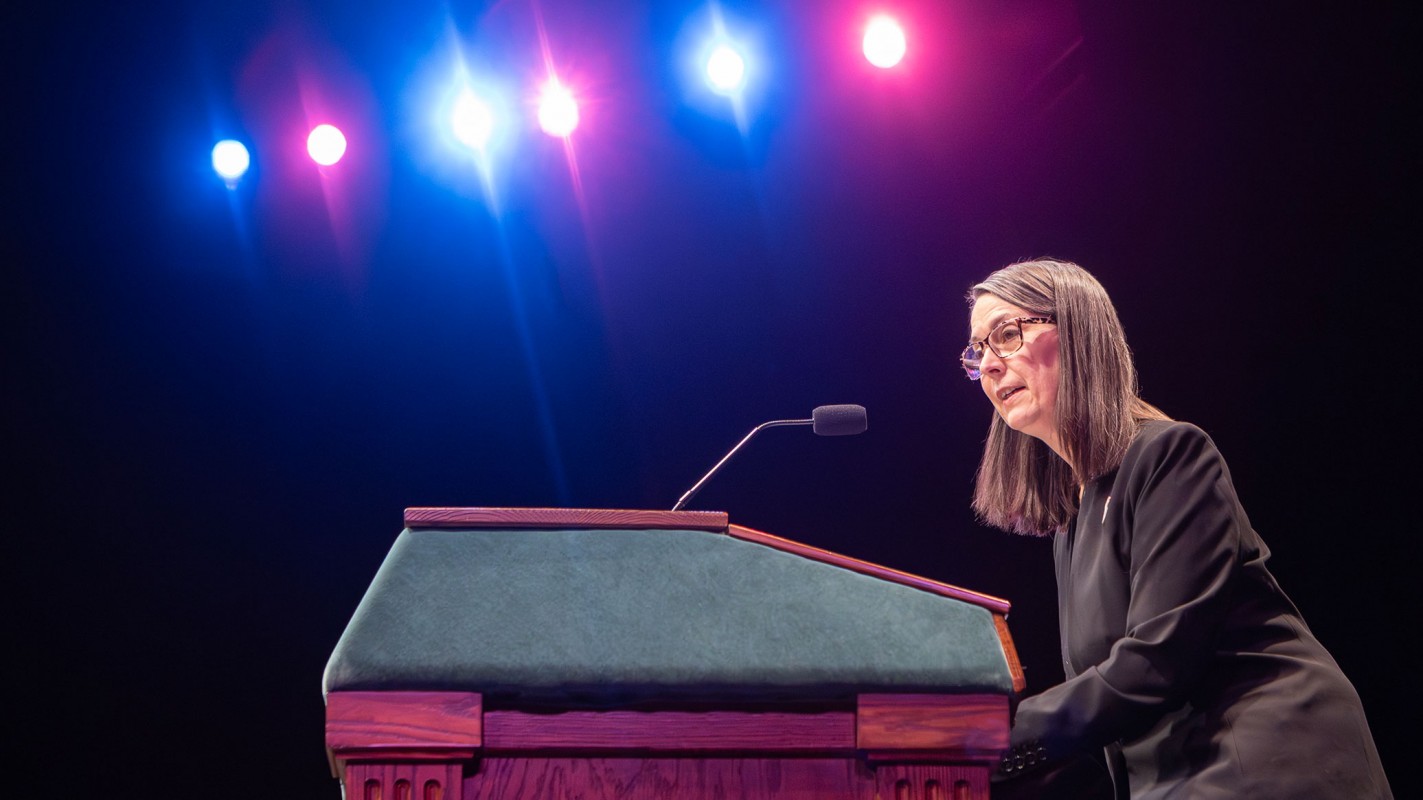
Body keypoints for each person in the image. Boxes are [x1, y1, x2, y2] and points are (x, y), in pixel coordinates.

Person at [962, 258, 1391, 798]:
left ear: (1076, 332)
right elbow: (1103, 706)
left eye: (1006, 334)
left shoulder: (1170, 455)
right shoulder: (1073, 520)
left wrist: (986, 735)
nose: (990, 364)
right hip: (1177, 777)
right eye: (978, 351)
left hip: (1266, 760)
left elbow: (1158, 660)